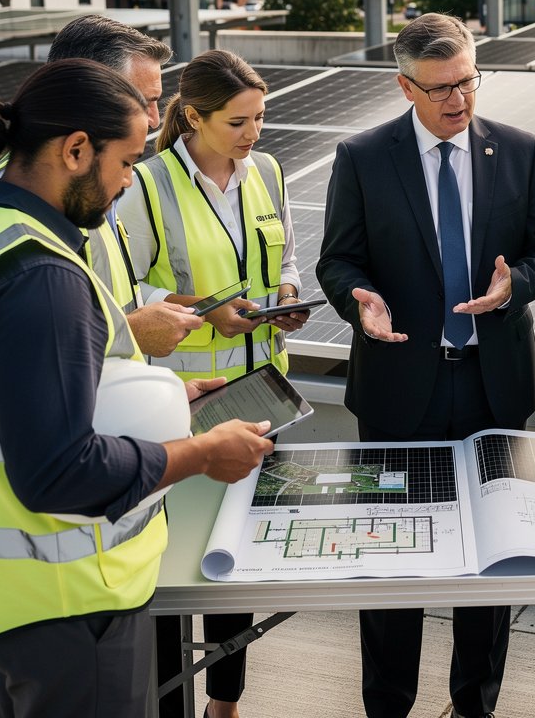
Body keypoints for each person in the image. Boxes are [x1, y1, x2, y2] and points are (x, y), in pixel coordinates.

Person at [0, 60, 274, 718]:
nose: (127, 183)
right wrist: (200, 454)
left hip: (3, 592)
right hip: (70, 605)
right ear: (75, 150)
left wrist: (169, 406)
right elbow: (58, 472)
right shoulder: (42, 276)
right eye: (126, 162)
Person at [316, 13, 535, 718]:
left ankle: (472, 706)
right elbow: (338, 259)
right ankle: (389, 706)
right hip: (400, 391)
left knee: (493, 567)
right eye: (440, 89)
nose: (458, 99)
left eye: (467, 82)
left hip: (496, 390)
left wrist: (514, 283)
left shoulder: (517, 150)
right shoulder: (362, 157)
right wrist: (357, 300)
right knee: (393, 564)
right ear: (405, 87)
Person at [120, 48, 310, 718]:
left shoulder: (268, 172)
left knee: (235, 566)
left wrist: (284, 294)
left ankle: (224, 706)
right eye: (238, 121)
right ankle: (171, 703)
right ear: (193, 117)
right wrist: (206, 308)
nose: (253, 132)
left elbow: (283, 251)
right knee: (173, 572)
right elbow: (127, 290)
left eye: (260, 117)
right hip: (184, 405)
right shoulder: (145, 185)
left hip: (264, 399)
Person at [0, 13, 203, 359]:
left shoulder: (85, 185)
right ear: (86, 86)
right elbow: (27, 348)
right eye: (141, 100)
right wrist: (130, 334)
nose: (154, 119)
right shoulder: (22, 206)